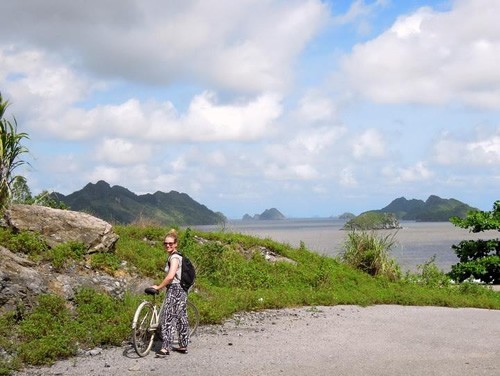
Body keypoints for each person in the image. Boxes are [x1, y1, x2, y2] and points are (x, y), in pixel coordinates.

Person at [151, 229, 189, 357]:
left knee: (168, 318)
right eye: (165, 243)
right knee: (181, 317)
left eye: (170, 243)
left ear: (176, 244)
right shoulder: (178, 256)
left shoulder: (174, 258)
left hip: (175, 289)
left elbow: (170, 276)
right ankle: (183, 345)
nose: (168, 245)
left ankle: (165, 348)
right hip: (182, 290)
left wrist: (159, 287)